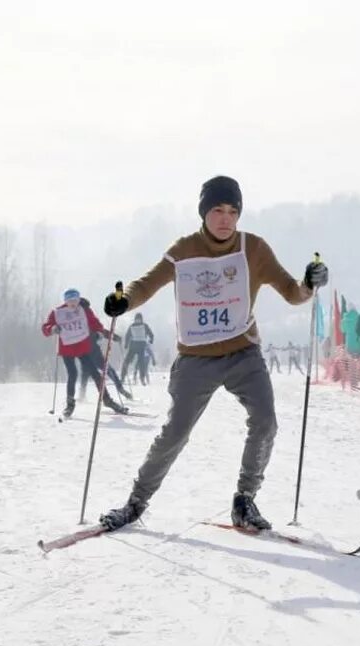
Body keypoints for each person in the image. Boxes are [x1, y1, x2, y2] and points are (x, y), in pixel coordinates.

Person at [97, 175, 327, 532]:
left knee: (266, 421)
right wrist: (123, 300)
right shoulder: (184, 249)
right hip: (196, 358)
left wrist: (310, 283)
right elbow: (146, 284)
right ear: (204, 213)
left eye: (233, 211)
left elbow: (292, 292)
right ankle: (135, 502)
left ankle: (244, 500)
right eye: (218, 210)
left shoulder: (254, 249)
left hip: (243, 353)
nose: (225, 219)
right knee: (176, 431)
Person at [41, 288, 129, 418]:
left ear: (79, 300)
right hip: (67, 349)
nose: (73, 304)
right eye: (70, 301)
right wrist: (53, 329)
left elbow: (94, 323)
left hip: (82, 347)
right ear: (65, 301)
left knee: (96, 374)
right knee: (73, 374)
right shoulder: (58, 312)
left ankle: (107, 400)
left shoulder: (84, 310)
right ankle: (70, 405)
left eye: (75, 300)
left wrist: (104, 330)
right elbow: (45, 328)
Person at [121, 313, 155, 381]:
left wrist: (126, 344)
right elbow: (151, 334)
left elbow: (127, 335)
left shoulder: (132, 325)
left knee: (126, 361)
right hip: (141, 345)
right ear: (141, 319)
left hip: (133, 345)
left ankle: (122, 377)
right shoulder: (145, 326)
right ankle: (142, 377)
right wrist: (151, 340)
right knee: (141, 362)